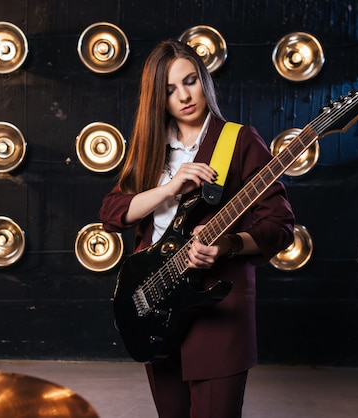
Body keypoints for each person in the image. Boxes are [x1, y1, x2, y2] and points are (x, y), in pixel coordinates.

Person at [98, 39, 295, 418]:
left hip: (216, 308)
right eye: (170, 90)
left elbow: (280, 226)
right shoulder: (150, 148)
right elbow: (112, 211)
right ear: (157, 97)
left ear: (205, 81)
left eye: (190, 81)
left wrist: (228, 247)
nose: (184, 96)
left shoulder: (239, 140)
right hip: (154, 302)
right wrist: (169, 188)